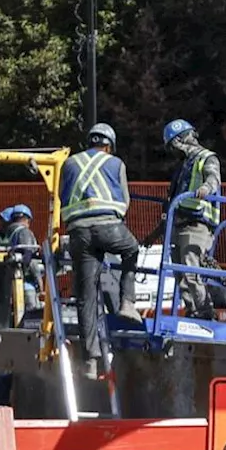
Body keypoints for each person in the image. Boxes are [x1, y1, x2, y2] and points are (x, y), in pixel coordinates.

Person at [59, 122, 142, 379]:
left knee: (86, 296)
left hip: (78, 232)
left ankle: (90, 361)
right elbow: (124, 202)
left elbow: (63, 196)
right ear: (109, 145)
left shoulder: (70, 163)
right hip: (108, 227)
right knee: (131, 250)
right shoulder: (116, 163)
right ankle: (127, 302)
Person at [162, 118, 221, 320]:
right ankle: (192, 311)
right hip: (178, 224)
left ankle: (205, 312)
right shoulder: (183, 165)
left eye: (174, 144)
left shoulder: (207, 157)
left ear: (183, 138)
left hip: (197, 225)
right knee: (180, 275)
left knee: (190, 269)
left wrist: (205, 188)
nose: (174, 150)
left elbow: (213, 178)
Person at [5, 204, 44, 312]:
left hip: (12, 281)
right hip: (27, 284)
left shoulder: (9, 234)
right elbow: (28, 257)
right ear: (26, 219)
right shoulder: (24, 232)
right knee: (31, 314)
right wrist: (39, 281)